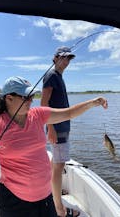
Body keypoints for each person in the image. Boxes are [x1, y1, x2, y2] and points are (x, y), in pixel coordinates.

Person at [0, 76, 108, 217]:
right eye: (26, 97)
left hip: (45, 196)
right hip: (14, 200)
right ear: (9, 98)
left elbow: (69, 113)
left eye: (32, 96)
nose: (31, 100)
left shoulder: (37, 115)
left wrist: (93, 102)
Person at [40, 47, 79, 216]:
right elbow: (43, 104)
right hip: (57, 129)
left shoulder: (58, 76)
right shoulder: (51, 76)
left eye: (69, 58)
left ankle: (51, 193)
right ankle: (59, 209)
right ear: (55, 58)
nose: (67, 61)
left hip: (61, 128)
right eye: (64, 58)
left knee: (55, 163)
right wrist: (51, 128)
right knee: (59, 165)